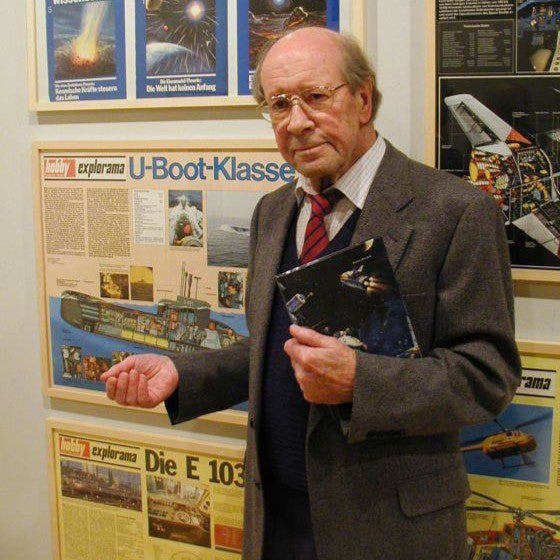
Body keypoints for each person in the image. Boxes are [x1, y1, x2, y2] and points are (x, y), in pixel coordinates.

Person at [101, 27, 521, 560]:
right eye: (279, 104)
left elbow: (488, 377)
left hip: (389, 529)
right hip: (276, 517)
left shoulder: (454, 212)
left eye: (316, 97)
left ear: (363, 99)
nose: (297, 122)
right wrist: (184, 375)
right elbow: (276, 349)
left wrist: (359, 381)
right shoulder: (273, 212)